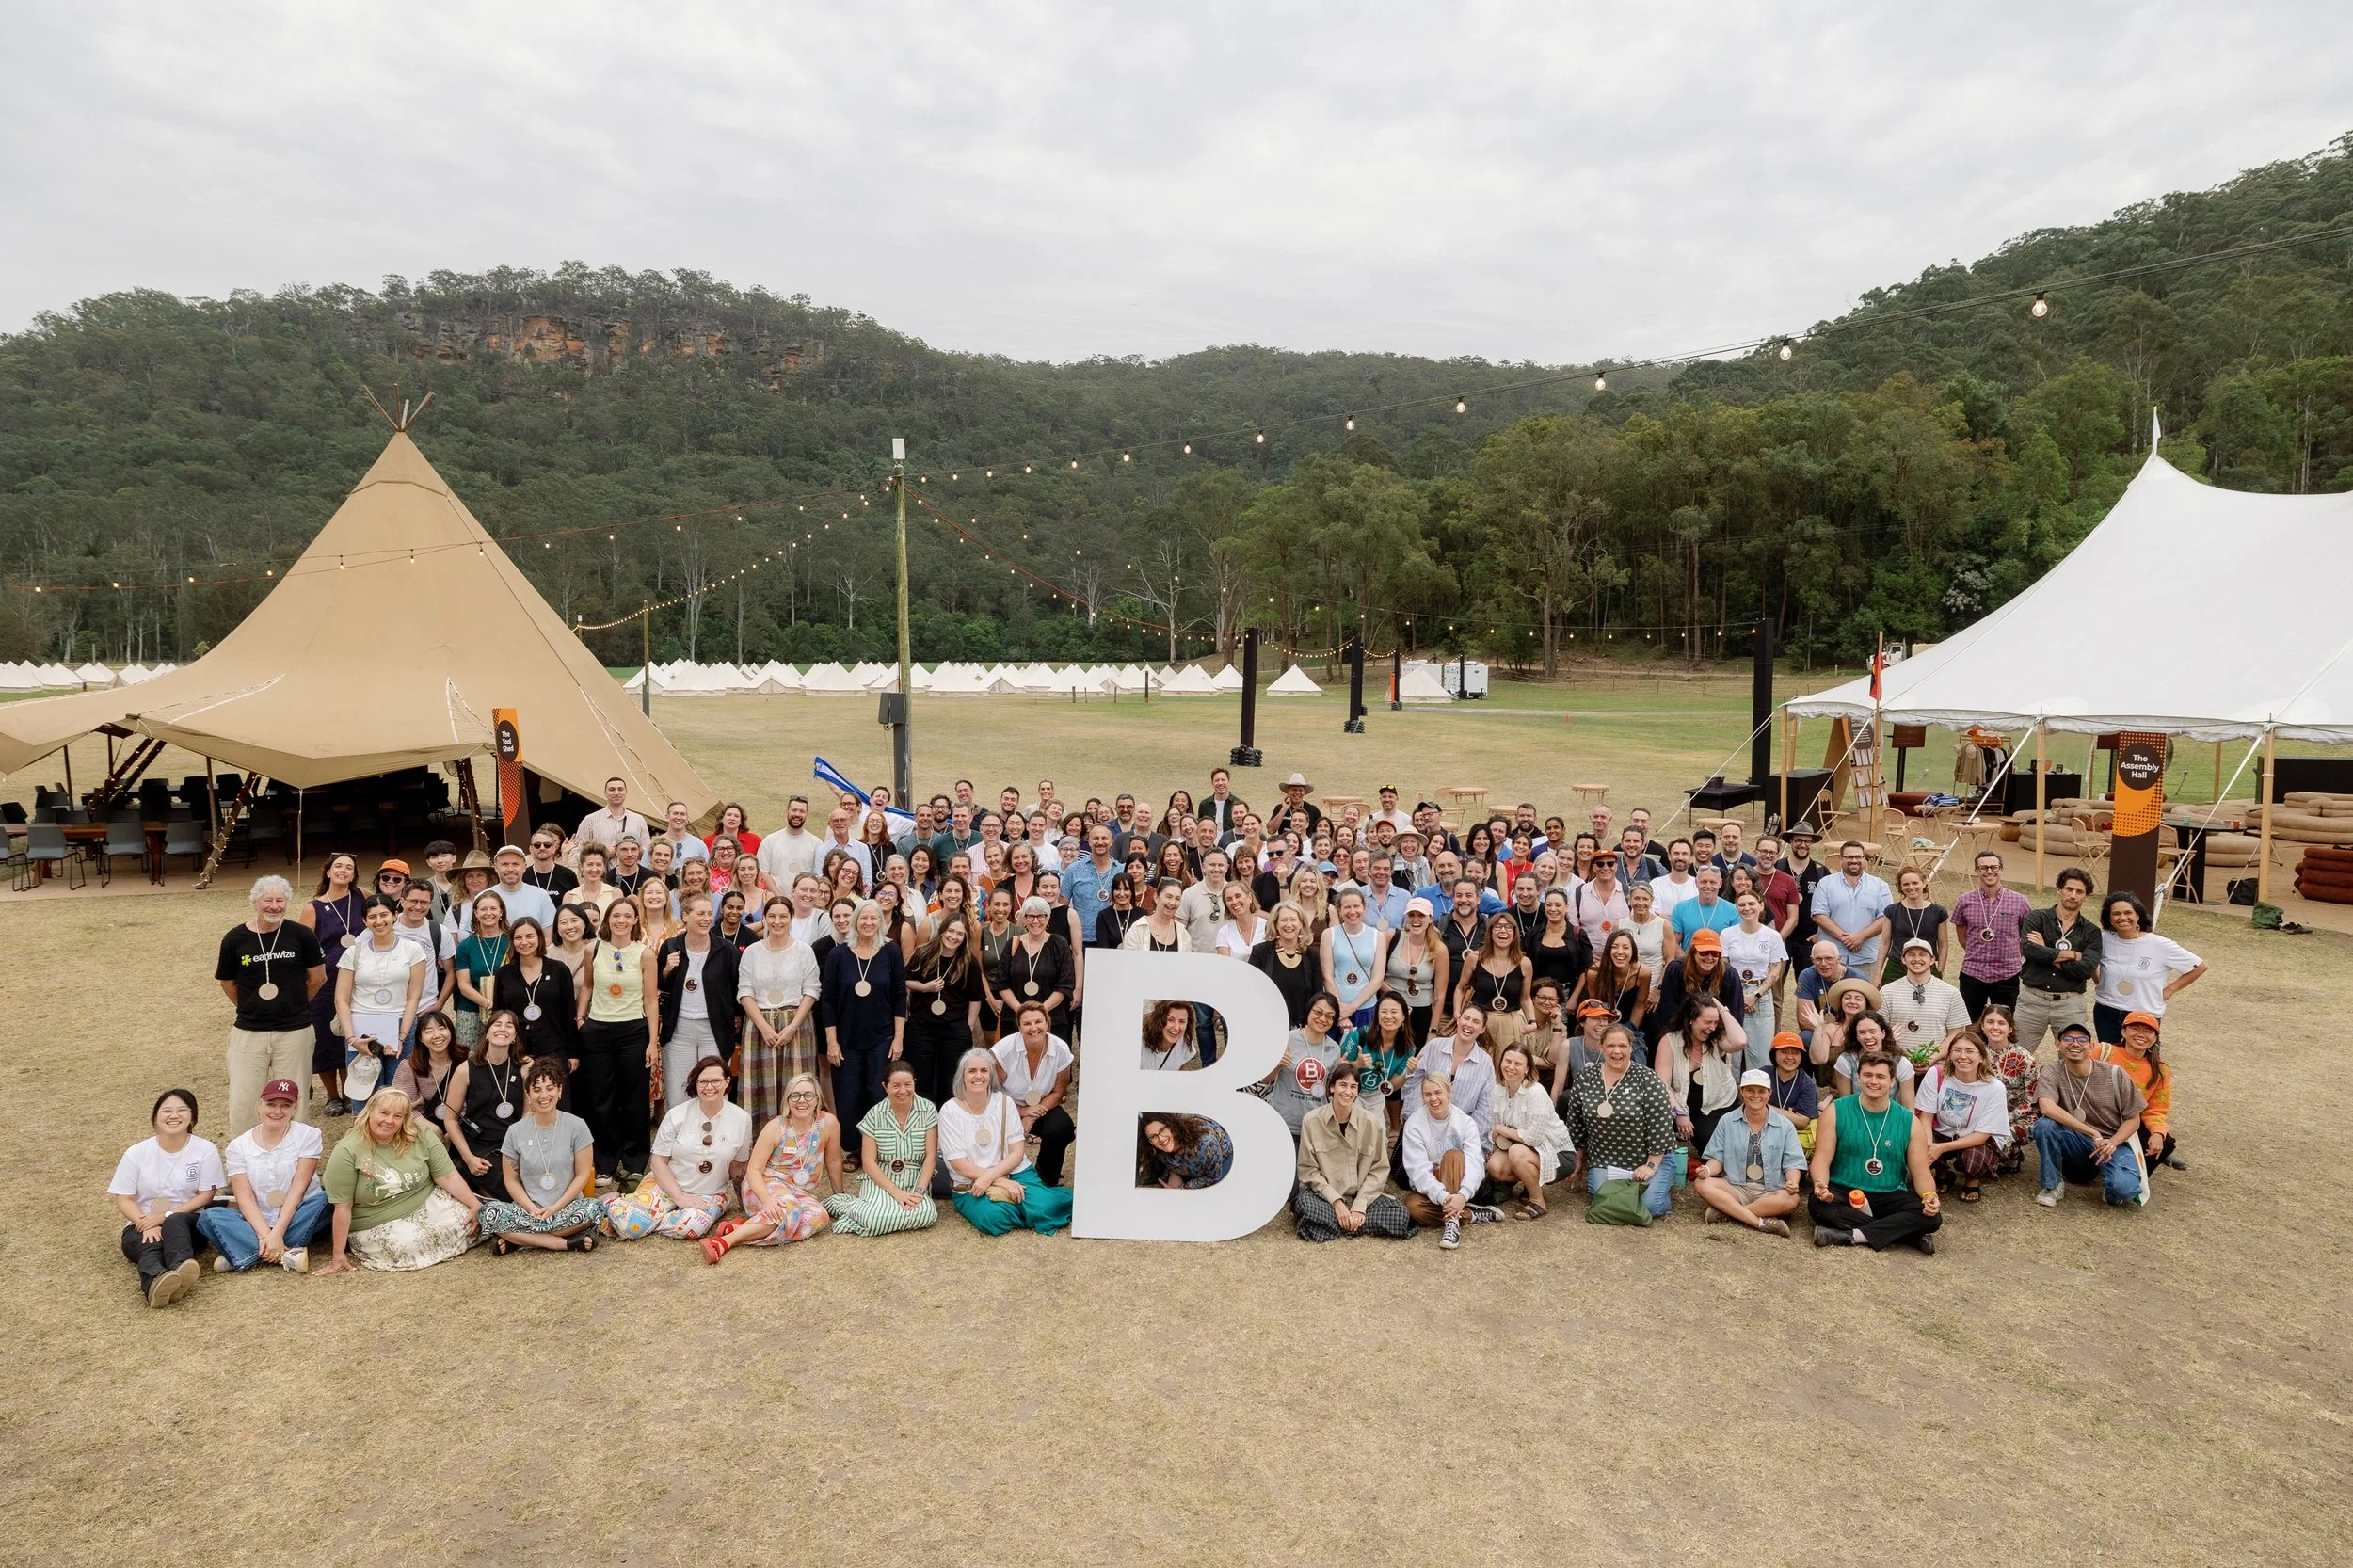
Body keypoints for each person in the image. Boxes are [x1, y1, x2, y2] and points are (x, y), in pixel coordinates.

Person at [317, 1088, 483, 1272]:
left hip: (426, 1202)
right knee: (406, 1244)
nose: (390, 1121)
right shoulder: (347, 1150)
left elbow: (447, 1176)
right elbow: (342, 1207)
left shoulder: (420, 1134)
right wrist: (338, 1255)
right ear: (370, 1111)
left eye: (398, 1116)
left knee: (470, 1217)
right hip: (377, 1219)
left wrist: (474, 1204)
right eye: (384, 1113)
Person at [216, 874, 327, 1135]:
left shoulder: (301, 935)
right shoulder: (235, 938)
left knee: (294, 1095)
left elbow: (318, 977)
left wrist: (295, 1004)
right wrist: (251, 1007)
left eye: (280, 900)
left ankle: (295, 1155)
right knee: (244, 1098)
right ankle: (244, 1159)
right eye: (268, 900)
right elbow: (227, 983)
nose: (274, 906)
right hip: (249, 1030)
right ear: (255, 902)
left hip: (295, 1029)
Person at [605, 1055, 756, 1240]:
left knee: (689, 1228)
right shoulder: (676, 1115)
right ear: (696, 1084)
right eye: (703, 1082)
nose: (709, 1087)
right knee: (630, 1227)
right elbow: (658, 1163)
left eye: (716, 1080)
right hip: (667, 1185)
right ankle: (613, 1202)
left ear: (727, 1081)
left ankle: (648, 1215)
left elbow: (738, 1167)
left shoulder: (742, 1118)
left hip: (710, 1193)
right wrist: (680, 1199)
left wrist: (744, 1202)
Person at [1807, 1052, 1943, 1253]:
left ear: (1892, 1080)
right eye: (1867, 1075)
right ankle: (1906, 1234)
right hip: (1844, 1190)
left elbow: (1921, 1172)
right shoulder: (1836, 1111)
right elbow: (1821, 1158)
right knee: (1818, 1205)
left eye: (1880, 1076)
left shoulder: (1909, 1121)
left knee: (1931, 1217)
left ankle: (1850, 1236)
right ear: (1858, 1077)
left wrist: (1930, 1196)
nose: (1873, 1081)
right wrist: (1820, 1184)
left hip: (1890, 1193)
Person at [192, 1078, 328, 1275]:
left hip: (299, 1213)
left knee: (325, 1200)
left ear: (294, 1108)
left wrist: (277, 1234)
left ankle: (244, 1253)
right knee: (210, 1217)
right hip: (258, 1220)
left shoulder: (309, 1135)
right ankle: (285, 1255)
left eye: (286, 1105)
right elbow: (244, 1198)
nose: (277, 1111)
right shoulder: (238, 1147)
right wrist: (266, 1235)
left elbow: (299, 1189)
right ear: (259, 1106)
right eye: (271, 1104)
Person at [701, 1072, 843, 1261]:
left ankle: (744, 1228)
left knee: (819, 1216)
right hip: (763, 1185)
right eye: (795, 1095)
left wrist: (840, 1197)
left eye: (809, 1095)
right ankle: (725, 1242)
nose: (802, 1101)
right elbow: (754, 1170)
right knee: (789, 1210)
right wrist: (767, 1200)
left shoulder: (828, 1123)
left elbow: (833, 1161)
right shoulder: (776, 1127)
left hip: (798, 1192)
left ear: (817, 1100)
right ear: (787, 1100)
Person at [936, 1049, 1074, 1237]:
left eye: (984, 1071)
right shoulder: (949, 1111)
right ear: (962, 1076)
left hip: (1014, 1172)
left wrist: (995, 1178)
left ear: (991, 1075)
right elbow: (959, 1164)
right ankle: (1029, 1208)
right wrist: (1000, 1183)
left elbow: (1016, 1153)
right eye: (972, 1071)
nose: (979, 1076)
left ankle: (1036, 1205)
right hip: (972, 1181)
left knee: (1045, 1206)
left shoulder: (1004, 1103)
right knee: (993, 1219)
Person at [478, 1059, 604, 1254]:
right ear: (528, 1095)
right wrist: (531, 1209)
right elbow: (511, 1180)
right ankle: (561, 1243)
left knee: (593, 1208)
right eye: (536, 1090)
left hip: (566, 1209)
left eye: (550, 1088)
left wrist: (554, 1208)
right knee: (489, 1212)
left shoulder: (577, 1126)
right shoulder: (515, 1131)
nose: (544, 1095)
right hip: (528, 1211)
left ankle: (519, 1240)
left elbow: (583, 1174)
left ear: (560, 1090)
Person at [110, 1088, 223, 1305]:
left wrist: (164, 1217)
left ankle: (180, 1268)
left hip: (188, 1223)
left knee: (174, 1221)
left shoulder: (204, 1149)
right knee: (150, 1246)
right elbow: (123, 1199)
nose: (174, 1116)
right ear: (156, 1116)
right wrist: (145, 1223)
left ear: (193, 1116)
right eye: (167, 1111)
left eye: (182, 1110)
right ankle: (156, 1282)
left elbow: (206, 1195)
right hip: (141, 1224)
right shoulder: (136, 1153)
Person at [576, 898, 660, 1188]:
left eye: (627, 916)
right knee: (601, 1099)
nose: (621, 920)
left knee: (634, 1099)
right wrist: (579, 1019)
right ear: (607, 919)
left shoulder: (645, 954)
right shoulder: (593, 949)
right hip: (598, 1029)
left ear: (636, 920)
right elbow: (587, 985)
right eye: (616, 915)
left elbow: (650, 999)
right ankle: (605, 1161)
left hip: (633, 1031)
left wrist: (652, 1041)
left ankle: (635, 1162)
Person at [1561, 1022, 1676, 1220]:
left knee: (1650, 1206)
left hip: (1649, 1157)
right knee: (1599, 1196)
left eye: (1623, 1046)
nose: (1617, 1051)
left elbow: (1661, 1128)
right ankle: (1634, 1190)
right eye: (1611, 1046)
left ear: (1631, 1048)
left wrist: (1650, 1166)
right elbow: (1576, 1123)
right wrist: (1578, 1159)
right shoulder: (1585, 1078)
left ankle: (1659, 1189)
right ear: (1601, 1047)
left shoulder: (1648, 1079)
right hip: (1605, 1159)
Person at [821, 898, 909, 1142]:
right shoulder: (838, 955)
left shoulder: (891, 951)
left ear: (880, 922)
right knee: (848, 1095)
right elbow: (827, 1000)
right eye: (863, 918)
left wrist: (898, 1038)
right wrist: (831, 1041)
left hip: (882, 1038)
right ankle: (852, 1147)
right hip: (846, 1039)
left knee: (877, 1093)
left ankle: (879, 1145)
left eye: (874, 918)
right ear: (855, 921)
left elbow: (900, 996)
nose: (868, 922)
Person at [2032, 1023, 2147, 1208]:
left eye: (2082, 1040)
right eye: (2068, 1039)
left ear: (2091, 1046)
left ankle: (2112, 1188)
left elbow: (2133, 1119)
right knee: (2044, 1126)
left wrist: (2113, 1142)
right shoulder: (2052, 1071)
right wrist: (2093, 1133)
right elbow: (2046, 1108)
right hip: (2076, 1138)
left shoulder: (2115, 1074)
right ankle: (2052, 1186)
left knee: (2123, 1189)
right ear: (2057, 1044)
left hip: (2111, 1144)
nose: (2075, 1044)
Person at [1293, 1063, 1412, 1240]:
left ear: (1358, 1092)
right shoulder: (1311, 1121)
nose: (1347, 1092)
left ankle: (1343, 1224)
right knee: (1306, 1206)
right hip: (1325, 1198)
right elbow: (1308, 1171)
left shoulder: (1371, 1123)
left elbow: (1378, 1169)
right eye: (1343, 1085)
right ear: (1331, 1087)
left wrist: (1360, 1205)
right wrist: (1337, 1202)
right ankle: (1351, 1223)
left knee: (1400, 1214)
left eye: (1353, 1087)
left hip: (1361, 1197)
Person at [824, 1062, 940, 1236]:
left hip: (914, 1177)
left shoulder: (928, 1110)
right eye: (896, 1085)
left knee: (927, 1214)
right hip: (882, 1178)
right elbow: (869, 1162)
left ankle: (864, 1211)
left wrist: (919, 1191)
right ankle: (842, 1204)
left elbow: (931, 1156)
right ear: (885, 1087)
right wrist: (896, 1192)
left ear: (914, 1083)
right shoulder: (874, 1114)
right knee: (875, 1219)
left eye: (908, 1084)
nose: (903, 1091)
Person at [1690, 1068, 1807, 1236]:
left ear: (1769, 1094)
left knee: (1792, 1199)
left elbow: (1793, 1162)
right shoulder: (1727, 1121)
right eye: (1750, 1090)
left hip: (1770, 1190)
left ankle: (1729, 1213)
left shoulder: (1785, 1125)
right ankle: (1759, 1221)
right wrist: (1707, 1170)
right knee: (1702, 1183)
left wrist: (1793, 1182)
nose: (1756, 1096)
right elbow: (1717, 1158)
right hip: (1736, 1187)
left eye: (1761, 1091)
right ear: (1741, 1092)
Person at [655, 891, 741, 1109]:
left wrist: (736, 1017)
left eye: (709, 914)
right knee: (679, 1092)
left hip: (714, 1030)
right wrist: (666, 971)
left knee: (715, 1090)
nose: (706, 918)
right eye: (700, 913)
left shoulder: (726, 950)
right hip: (679, 1030)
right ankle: (682, 1140)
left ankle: (716, 1140)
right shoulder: (670, 947)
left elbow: (736, 988)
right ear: (685, 916)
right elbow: (657, 986)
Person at [297, 851, 367, 1114]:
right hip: (326, 982)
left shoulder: (362, 896)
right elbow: (305, 947)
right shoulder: (313, 907)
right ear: (328, 872)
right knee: (326, 1038)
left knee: (350, 1036)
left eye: (349, 867)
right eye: (338, 866)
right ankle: (332, 1096)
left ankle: (352, 1092)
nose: (343, 870)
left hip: (359, 979)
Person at [2092, 892, 2205, 1043]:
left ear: (2138, 915)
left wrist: (2169, 991)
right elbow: (2090, 961)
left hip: (2143, 1015)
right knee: (2109, 1062)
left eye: (2128, 912)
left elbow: (2199, 966)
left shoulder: (2160, 944)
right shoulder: (2103, 939)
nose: (2122, 917)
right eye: (2116, 913)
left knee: (2142, 1062)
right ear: (2109, 918)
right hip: (2106, 1011)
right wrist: (2100, 982)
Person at [1401, 1071, 1497, 1248]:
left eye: (1438, 1092)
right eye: (1427, 1094)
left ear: (1449, 1093)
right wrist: (1444, 1197)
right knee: (1413, 1207)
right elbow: (1418, 1171)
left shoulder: (1465, 1122)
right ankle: (1469, 1214)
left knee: (1452, 1155)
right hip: (1433, 1188)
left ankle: (1452, 1224)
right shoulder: (1414, 1124)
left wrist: (1463, 1194)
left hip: (1459, 1181)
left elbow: (1475, 1164)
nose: (1433, 1098)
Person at [904, 909, 987, 1107]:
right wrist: (925, 988)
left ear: (965, 937)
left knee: (950, 1080)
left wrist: (967, 1026)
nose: (954, 937)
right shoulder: (923, 953)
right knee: (921, 1077)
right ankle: (923, 1123)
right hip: (921, 1026)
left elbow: (975, 998)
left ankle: (947, 1122)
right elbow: (906, 981)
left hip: (954, 1028)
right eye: (951, 931)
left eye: (960, 934)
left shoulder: (969, 962)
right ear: (942, 931)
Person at [442, 1008, 529, 1197]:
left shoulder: (523, 1069)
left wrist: (522, 1149)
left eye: (509, 1025)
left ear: (515, 1036)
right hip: (478, 1144)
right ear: (487, 1032)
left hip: (512, 1143)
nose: (502, 1029)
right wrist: (468, 1158)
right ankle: (464, 1170)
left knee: (534, 1182)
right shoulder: (466, 1070)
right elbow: (450, 1120)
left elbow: (527, 1115)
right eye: (497, 1024)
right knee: (507, 1190)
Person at [1913, 1031, 2009, 1202]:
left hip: (1974, 1139)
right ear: (1949, 1055)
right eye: (1957, 1050)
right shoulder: (1936, 1074)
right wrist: (1928, 1146)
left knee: (1975, 1158)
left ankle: (1972, 1180)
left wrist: (1940, 1148)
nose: (1962, 1056)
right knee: (1916, 1141)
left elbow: (1981, 1135)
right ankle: (1942, 1174)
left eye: (1970, 1051)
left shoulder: (1994, 1088)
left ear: (1981, 1057)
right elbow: (1925, 1117)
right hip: (1941, 1132)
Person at [1484, 1041, 1573, 1219]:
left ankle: (1537, 1200)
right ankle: (1528, 1181)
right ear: (1501, 1062)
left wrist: (1501, 1129)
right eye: (1507, 1061)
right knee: (1495, 1167)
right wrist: (1495, 1134)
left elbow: (1533, 1138)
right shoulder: (1497, 1091)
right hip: (1526, 1149)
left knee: (1516, 1152)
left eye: (1518, 1064)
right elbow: (1495, 1133)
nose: (1511, 1067)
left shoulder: (1535, 1092)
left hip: (1557, 1153)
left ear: (1526, 1069)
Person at [2016, 868, 2102, 1049]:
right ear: (2059, 889)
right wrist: (2072, 955)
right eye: (2069, 889)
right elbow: (2029, 951)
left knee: (2072, 1059)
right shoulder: (2036, 918)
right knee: (2018, 1058)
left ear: (2087, 897)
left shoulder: (2091, 931)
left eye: (2079, 892)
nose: (2073, 895)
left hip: (2069, 1003)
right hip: (2032, 1000)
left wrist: (2045, 951)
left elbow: (2086, 969)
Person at [992, 1001, 1076, 1186]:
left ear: (1047, 1023)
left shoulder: (1061, 1048)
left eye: (1038, 1022)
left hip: (1043, 1104)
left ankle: (1047, 1177)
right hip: (1005, 1105)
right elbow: (992, 1091)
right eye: (1027, 1024)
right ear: (1019, 1026)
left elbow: (1058, 1090)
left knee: (1062, 1127)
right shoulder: (1003, 1050)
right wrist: (1021, 1112)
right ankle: (996, 1175)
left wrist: (1031, 1115)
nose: (1033, 1028)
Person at [1659, 994, 1747, 1160]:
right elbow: (1663, 1084)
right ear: (1691, 1019)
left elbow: (1740, 1041)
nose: (1712, 1028)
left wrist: (1721, 1009)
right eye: (1707, 1022)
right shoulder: (1669, 1041)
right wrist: (1679, 1113)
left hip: (1718, 1105)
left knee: (1715, 1141)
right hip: (1681, 1104)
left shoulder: (1717, 1038)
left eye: (1715, 1022)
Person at [1950, 851, 2033, 1016]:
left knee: (2003, 1023)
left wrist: (2014, 955)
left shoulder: (2019, 901)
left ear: (2001, 870)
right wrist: (1977, 952)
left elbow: (2027, 934)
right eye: (1984, 867)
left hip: (2007, 974)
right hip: (1972, 973)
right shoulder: (1964, 901)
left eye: (1994, 867)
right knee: (1970, 1024)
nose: (1989, 871)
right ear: (1976, 871)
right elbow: (1962, 936)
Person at [1406, 1005, 1500, 1144]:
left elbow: (1484, 1108)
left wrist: (1470, 1139)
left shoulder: (1485, 1063)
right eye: (1466, 1018)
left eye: (1475, 1022)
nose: (1469, 1024)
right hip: (1425, 1122)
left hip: (1461, 1132)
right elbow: (1414, 1084)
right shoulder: (1434, 1046)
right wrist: (1414, 1119)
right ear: (1458, 1020)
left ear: (1483, 1029)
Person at [491, 916, 577, 1069]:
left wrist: (573, 1052)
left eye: (530, 936)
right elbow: (498, 1013)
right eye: (518, 938)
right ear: (512, 941)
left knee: (555, 1093)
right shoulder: (504, 974)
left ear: (540, 938)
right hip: (516, 1051)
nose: (524, 942)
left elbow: (569, 1014)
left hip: (554, 1049)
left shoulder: (559, 970)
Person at [1257, 990, 1344, 1136]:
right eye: (1318, 1012)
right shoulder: (1286, 1039)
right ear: (1308, 1011)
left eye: (1329, 1016)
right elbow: (1265, 1080)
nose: (1323, 1019)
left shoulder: (1334, 1049)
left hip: (1315, 1123)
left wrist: (1346, 1071)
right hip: (1284, 1121)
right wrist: (1278, 1066)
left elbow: (1329, 1089)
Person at [2103, 1011, 2182, 1172]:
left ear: (2155, 1038)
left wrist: (2158, 1133)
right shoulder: (2103, 1052)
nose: (2141, 1035)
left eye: (2148, 1031)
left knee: (2165, 1143)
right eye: (2135, 1029)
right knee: (2078, 1176)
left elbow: (2156, 1109)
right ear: (2123, 1031)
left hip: (2132, 1123)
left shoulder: (2160, 1069)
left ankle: (2132, 1176)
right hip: (2097, 1119)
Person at [1720, 890, 1787, 1067]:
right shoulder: (1727, 934)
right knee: (1732, 1056)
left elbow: (1775, 970)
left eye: (1751, 904)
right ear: (1737, 908)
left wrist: (1755, 995)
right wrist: (1739, 995)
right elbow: (1723, 967)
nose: (1747, 908)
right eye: (1742, 905)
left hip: (1761, 995)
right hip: (1734, 993)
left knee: (1761, 1054)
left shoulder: (1773, 936)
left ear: (1761, 906)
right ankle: (1733, 1093)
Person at [997, 894, 1076, 1046]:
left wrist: (1038, 1014)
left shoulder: (1059, 944)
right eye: (1031, 916)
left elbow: (1064, 985)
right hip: (1015, 1020)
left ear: (1048, 919)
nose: (1036, 921)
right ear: (1024, 919)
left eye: (1041, 916)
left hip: (1051, 1019)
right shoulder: (1012, 944)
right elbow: (1002, 983)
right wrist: (1022, 1012)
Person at [1880, 937, 1970, 1067]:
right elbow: (1879, 1030)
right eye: (1911, 955)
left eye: (1922, 955)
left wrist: (1931, 1059)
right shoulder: (1887, 991)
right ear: (1903, 960)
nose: (1917, 959)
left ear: (1932, 960)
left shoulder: (1950, 993)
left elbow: (1956, 1034)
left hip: (1937, 1067)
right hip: (1896, 1065)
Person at [1810, 840, 1892, 978]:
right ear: (1841, 859)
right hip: (1831, 958)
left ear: (1864, 859)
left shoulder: (1880, 886)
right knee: (1829, 998)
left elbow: (1886, 917)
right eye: (1849, 857)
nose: (1854, 860)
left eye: (1858, 857)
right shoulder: (1826, 884)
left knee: (1864, 997)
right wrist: (1846, 939)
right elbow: (1819, 915)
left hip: (1866, 957)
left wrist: (1861, 936)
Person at [1655, 927, 1745, 1045]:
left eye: (1714, 953)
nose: (1709, 958)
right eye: (1703, 952)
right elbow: (1668, 1011)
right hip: (1681, 1032)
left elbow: (1735, 1015)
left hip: (1716, 1034)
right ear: (1693, 952)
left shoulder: (1729, 975)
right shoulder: (1676, 969)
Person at [450, 888, 511, 1053]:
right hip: (471, 1010)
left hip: (506, 1010)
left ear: (501, 912)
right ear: (476, 913)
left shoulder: (512, 942)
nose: (488, 913)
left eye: (493, 909)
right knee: (468, 1058)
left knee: (503, 1055)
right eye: (483, 909)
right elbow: (464, 985)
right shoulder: (466, 946)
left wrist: (500, 1007)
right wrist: (489, 1004)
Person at [1321, 888, 1390, 1030]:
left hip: (1366, 1008)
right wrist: (1340, 1011)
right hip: (1335, 1009)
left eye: (1356, 906)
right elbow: (1327, 976)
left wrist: (1352, 1007)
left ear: (1364, 907)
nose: (1352, 912)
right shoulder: (1329, 934)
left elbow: (1377, 979)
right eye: (1347, 907)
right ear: (1339, 910)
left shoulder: (1377, 936)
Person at [390, 1007, 464, 1131]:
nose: (437, 1035)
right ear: (421, 1038)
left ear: (451, 1031)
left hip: (463, 1125)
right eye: (429, 1031)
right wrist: (434, 1130)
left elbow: (477, 1100)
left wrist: (454, 1131)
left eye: (442, 1029)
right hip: (423, 1127)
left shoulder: (467, 1060)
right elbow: (403, 1105)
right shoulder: (409, 1065)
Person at [1385, 902, 1448, 1046]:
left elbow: (1440, 993)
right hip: (1390, 1008)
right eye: (1411, 915)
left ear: (1430, 919)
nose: (1415, 919)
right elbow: (1376, 977)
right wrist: (1394, 995)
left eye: (1421, 915)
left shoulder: (1440, 949)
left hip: (1421, 1013)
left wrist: (1433, 1030)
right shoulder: (1391, 937)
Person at [1878, 868, 1948, 983]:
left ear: (1924, 883)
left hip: (1926, 967)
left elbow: (1943, 944)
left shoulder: (1938, 912)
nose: (1910, 887)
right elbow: (1885, 943)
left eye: (1915, 883)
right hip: (1896, 968)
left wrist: (1940, 971)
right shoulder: (1891, 911)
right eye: (1906, 884)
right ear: (1900, 887)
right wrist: (1877, 974)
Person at [1141, 1114, 1234, 1188]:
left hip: (1222, 1159)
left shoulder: (1206, 1144)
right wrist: (1173, 1172)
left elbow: (1213, 1177)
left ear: (1171, 1125)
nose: (1160, 1138)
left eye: (1162, 1130)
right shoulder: (1156, 1150)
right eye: (1153, 1137)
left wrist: (1183, 1188)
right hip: (1187, 1166)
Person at [1765, 1032, 1820, 1149]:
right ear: (1774, 1055)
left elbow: (1802, 1122)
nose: (1790, 1057)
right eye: (1784, 1052)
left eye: (1795, 1053)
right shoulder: (1763, 1075)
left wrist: (1766, 1107)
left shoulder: (1807, 1083)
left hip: (1792, 1137)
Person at [576, 776, 649, 857]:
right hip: (601, 869)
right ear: (605, 793)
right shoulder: (590, 820)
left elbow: (647, 853)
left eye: (620, 789)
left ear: (626, 792)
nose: (616, 793)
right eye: (612, 789)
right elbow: (578, 851)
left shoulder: (639, 820)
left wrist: (630, 849)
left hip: (632, 869)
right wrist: (604, 853)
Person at [1140, 999, 1198, 1071]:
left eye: (1182, 1021)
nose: (1176, 1028)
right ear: (1159, 1020)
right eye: (1170, 1020)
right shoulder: (1141, 1041)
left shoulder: (1185, 1042)